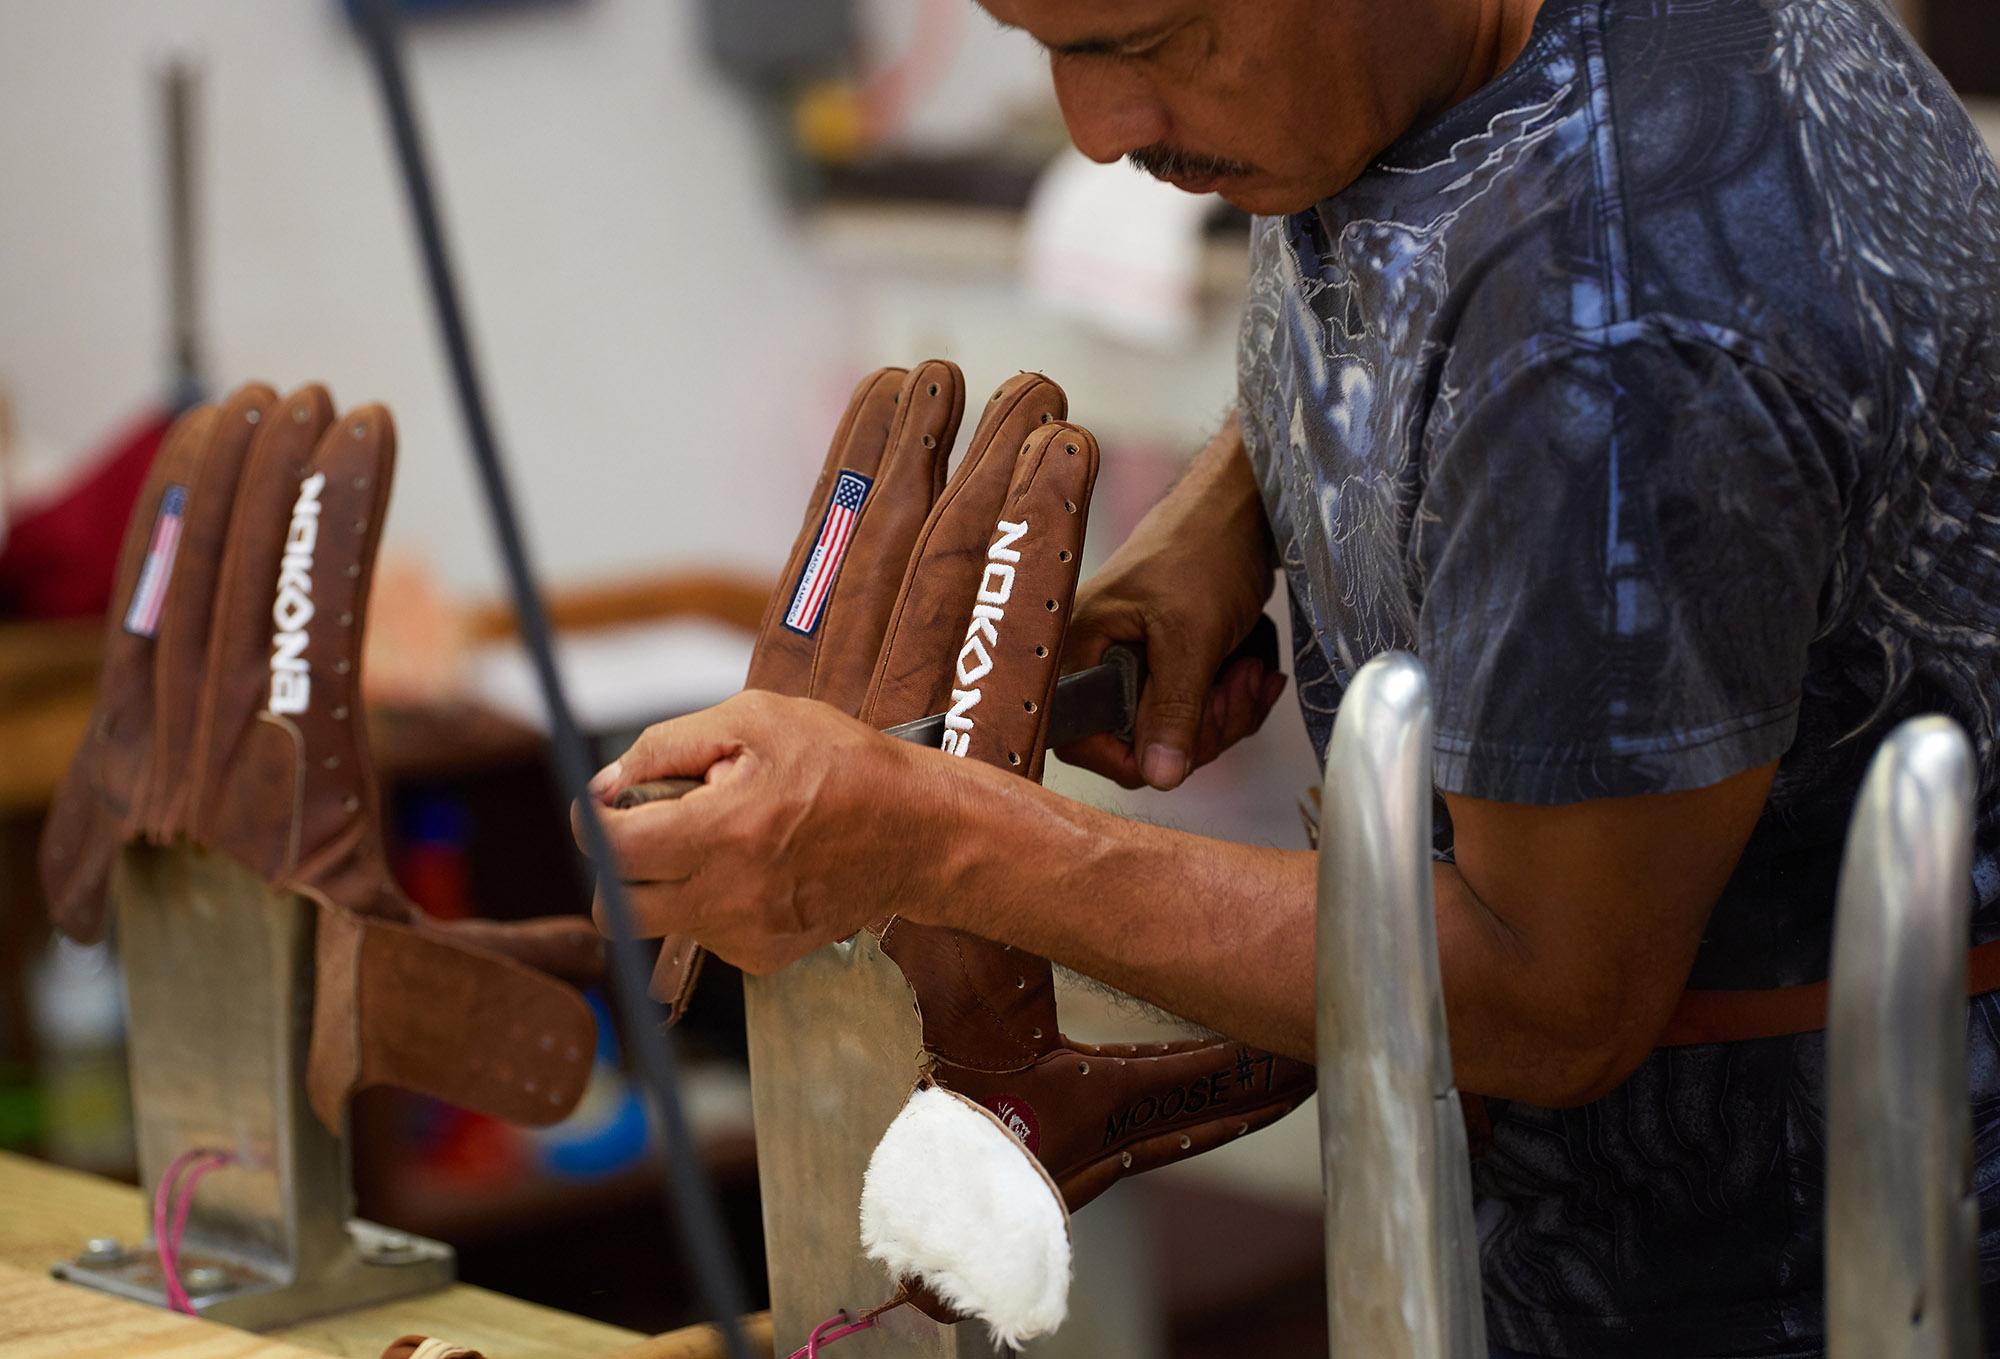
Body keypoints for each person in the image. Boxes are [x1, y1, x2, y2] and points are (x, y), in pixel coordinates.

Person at [582, 0, 2000, 1353]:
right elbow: (1426, 241)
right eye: (1047, 49)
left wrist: (933, 836)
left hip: (1806, 1275)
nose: (1095, 126)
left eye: (1146, 40)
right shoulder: (1417, 74)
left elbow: (1549, 994)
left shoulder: (1629, 322)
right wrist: (1238, 503)